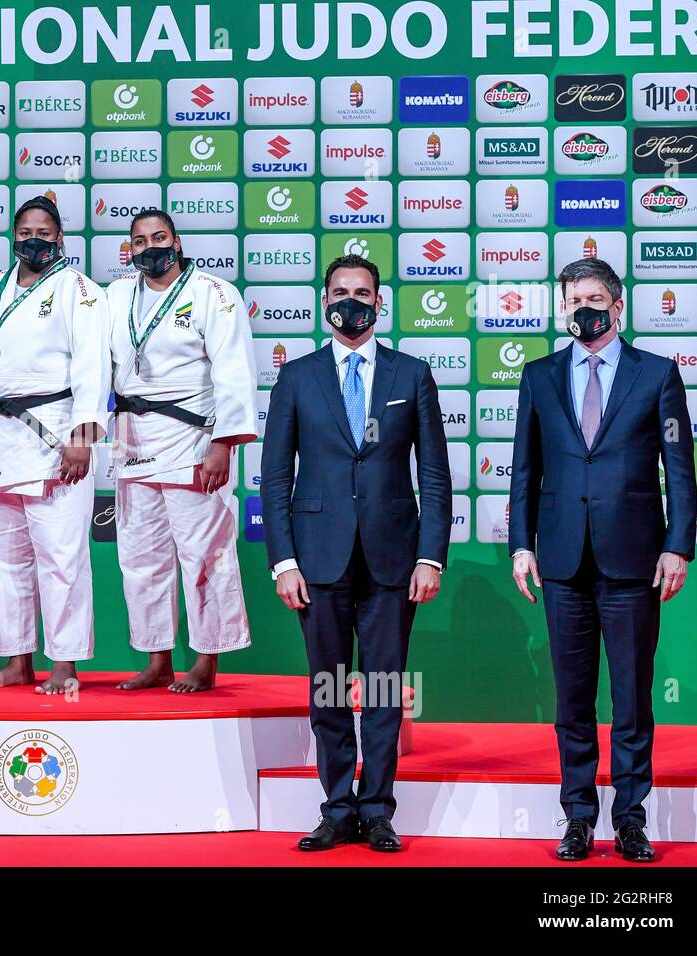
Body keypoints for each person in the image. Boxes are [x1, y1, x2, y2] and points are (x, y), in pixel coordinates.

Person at [262, 253, 451, 852]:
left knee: (386, 689)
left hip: (394, 560)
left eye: (362, 292)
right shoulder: (297, 377)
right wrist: (284, 561)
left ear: (379, 303)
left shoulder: (412, 375)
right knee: (329, 686)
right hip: (317, 562)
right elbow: (273, 478)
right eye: (340, 291)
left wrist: (431, 556)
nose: (352, 300)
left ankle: (378, 810)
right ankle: (337, 807)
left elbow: (437, 476)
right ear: (324, 302)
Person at [509, 257, 695, 864]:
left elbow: (682, 473)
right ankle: (579, 818)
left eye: (593, 298)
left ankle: (632, 818)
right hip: (562, 561)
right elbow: (524, 471)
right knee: (572, 699)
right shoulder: (538, 376)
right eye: (572, 300)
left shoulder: (657, 375)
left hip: (634, 559)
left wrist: (677, 545)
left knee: (633, 696)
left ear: (617, 306)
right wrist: (520, 544)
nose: (581, 309)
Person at [0, 195, 111, 695]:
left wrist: (83, 437)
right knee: (0, 558)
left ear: (60, 238)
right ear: (13, 236)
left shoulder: (80, 291)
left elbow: (94, 366)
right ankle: (15, 659)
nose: (34, 240)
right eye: (25, 232)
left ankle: (65, 663)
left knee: (61, 555)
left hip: (54, 434)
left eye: (44, 233)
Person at [106, 209, 258, 693]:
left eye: (158, 237)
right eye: (138, 240)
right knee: (140, 555)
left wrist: (223, 443)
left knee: (204, 552)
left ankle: (207, 659)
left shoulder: (213, 293)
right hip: (133, 434)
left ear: (177, 240)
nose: (149, 247)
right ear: (128, 250)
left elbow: (233, 371)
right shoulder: (114, 296)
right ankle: (157, 658)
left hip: (192, 438)